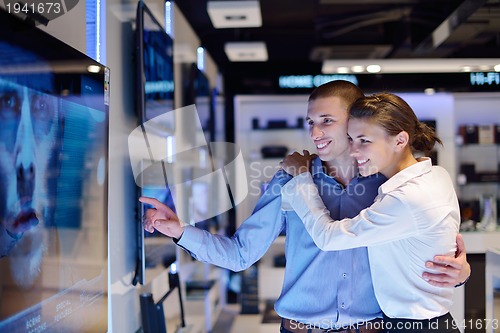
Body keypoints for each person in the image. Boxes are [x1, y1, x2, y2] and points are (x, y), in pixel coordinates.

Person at [141, 80, 470, 333]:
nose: (315, 131)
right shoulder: (287, 181)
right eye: (310, 122)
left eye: (326, 120)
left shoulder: (389, 187)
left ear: (356, 120)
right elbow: (240, 254)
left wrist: (458, 274)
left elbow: (420, 251)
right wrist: (180, 231)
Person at [280, 92, 462, 332]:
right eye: (351, 139)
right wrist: (462, 272)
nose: (354, 151)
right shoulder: (436, 175)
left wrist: (302, 180)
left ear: (400, 141)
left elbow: (328, 237)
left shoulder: (407, 198)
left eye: (364, 140)